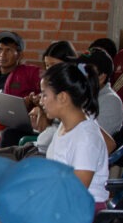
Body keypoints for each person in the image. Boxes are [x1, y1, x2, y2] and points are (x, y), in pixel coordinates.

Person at [0, 40, 77, 160]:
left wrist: (42, 111)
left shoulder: (70, 96)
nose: (49, 70)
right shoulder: (53, 89)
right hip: (35, 146)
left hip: (41, 153)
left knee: (7, 140)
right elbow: (43, 126)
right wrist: (40, 108)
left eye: (54, 65)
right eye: (47, 66)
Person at [41, 62, 110, 211]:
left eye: (45, 95)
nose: (41, 101)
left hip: (82, 212)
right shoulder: (64, 125)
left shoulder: (86, 138)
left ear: (63, 98)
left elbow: (75, 192)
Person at [77, 47, 123, 138]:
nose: (79, 76)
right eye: (79, 69)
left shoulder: (111, 101)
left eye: (85, 71)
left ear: (102, 77)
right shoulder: (84, 94)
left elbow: (91, 138)